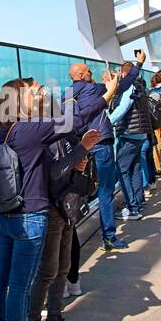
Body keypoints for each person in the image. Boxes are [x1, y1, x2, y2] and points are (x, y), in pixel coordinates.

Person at [0, 77, 108, 321]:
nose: (39, 92)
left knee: (1, 280)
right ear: (18, 99)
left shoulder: (0, 132)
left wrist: (80, 149)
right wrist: (109, 92)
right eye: (33, 91)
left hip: (4, 216)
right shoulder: (29, 130)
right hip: (29, 217)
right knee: (20, 286)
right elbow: (76, 117)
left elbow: (50, 171)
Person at [24, 122, 100, 321]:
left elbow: (65, 167)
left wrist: (79, 163)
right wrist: (81, 150)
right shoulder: (40, 138)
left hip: (66, 205)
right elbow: (53, 172)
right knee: (47, 269)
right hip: (51, 206)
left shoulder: (63, 137)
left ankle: (54, 318)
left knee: (63, 266)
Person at [67, 55, 140, 251]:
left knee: (81, 190)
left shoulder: (66, 95)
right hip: (101, 143)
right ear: (82, 75)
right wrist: (137, 65)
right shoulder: (93, 88)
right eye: (89, 71)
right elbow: (123, 86)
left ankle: (73, 237)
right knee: (105, 191)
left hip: (80, 148)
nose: (91, 74)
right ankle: (109, 237)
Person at [108, 60, 151, 220]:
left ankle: (132, 208)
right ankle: (138, 202)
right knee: (135, 169)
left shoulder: (129, 87)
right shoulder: (141, 87)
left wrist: (107, 122)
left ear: (124, 74)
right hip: (141, 133)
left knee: (122, 169)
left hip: (129, 133)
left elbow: (122, 109)